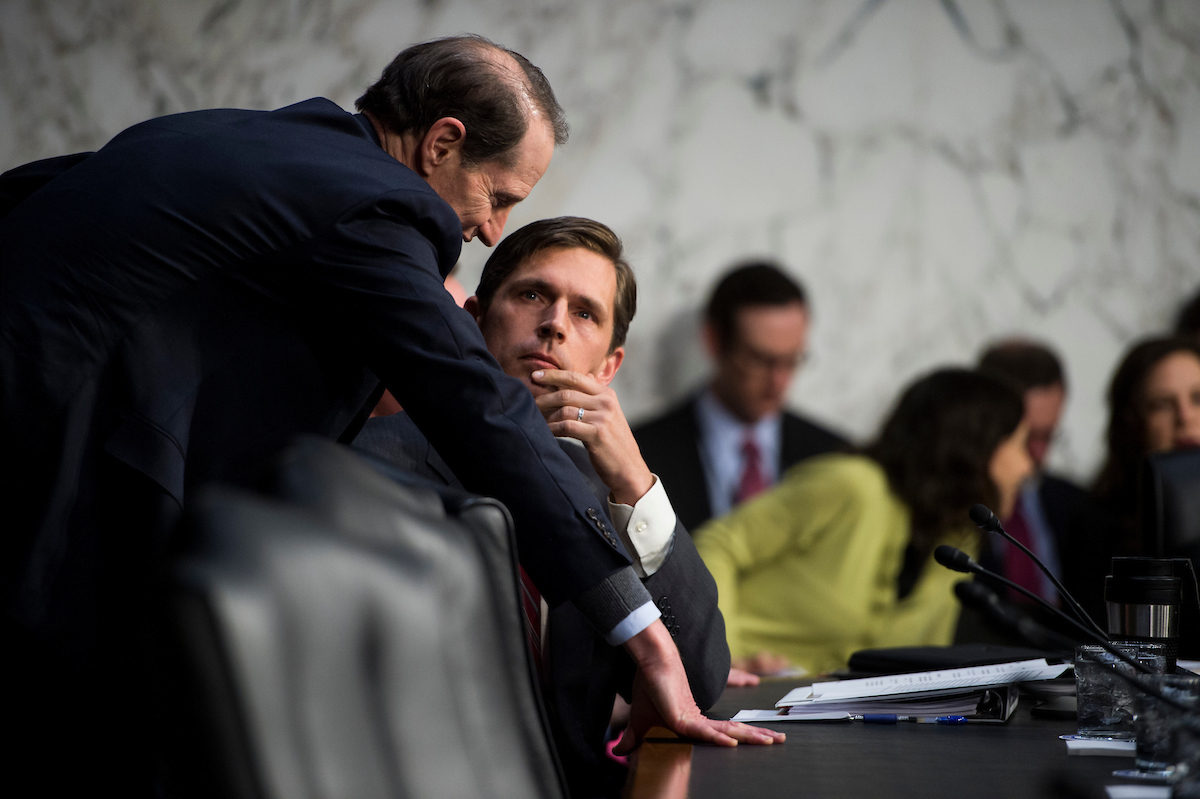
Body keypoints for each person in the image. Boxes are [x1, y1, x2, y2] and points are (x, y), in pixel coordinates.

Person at [0, 35, 767, 793]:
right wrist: (648, 643)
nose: (491, 229)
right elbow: (477, 403)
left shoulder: (247, 138)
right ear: (441, 143)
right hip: (57, 487)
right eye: (500, 197)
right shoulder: (378, 203)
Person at [356, 216, 776, 796]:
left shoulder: (605, 490)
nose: (554, 324)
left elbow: (698, 681)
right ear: (473, 322)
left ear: (608, 367)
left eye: (585, 313)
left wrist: (634, 482)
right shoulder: (369, 464)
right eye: (533, 295)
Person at [695, 369, 1032, 677]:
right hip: (733, 697)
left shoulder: (959, 538)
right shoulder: (854, 485)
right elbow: (716, 544)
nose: (1027, 466)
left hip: (826, 728)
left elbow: (922, 672)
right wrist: (723, 658)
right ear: (973, 447)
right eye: (1019, 444)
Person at [634, 262, 847, 532]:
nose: (778, 381)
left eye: (792, 360)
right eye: (760, 360)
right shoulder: (640, 455)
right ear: (714, 341)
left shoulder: (834, 457)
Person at [976, 340, 1094, 607]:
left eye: (1049, 436)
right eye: (1026, 437)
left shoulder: (1079, 507)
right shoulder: (947, 509)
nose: (1038, 455)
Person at [1092, 337, 1200, 560]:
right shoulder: (1095, 527)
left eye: (1198, 399)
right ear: (1132, 422)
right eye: (1162, 405)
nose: (1185, 417)